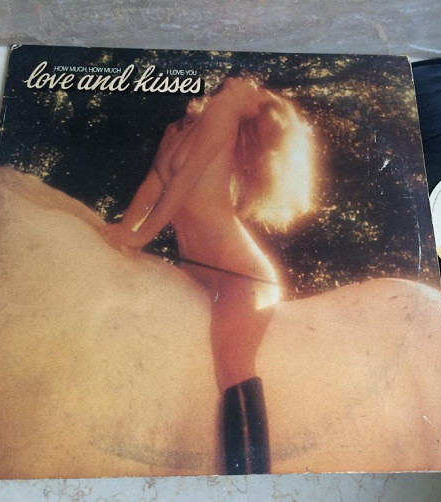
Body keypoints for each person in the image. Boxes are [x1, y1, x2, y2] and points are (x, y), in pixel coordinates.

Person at [98, 77, 314, 475]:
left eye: (258, 91)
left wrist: (141, 236)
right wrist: (124, 230)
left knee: (233, 369)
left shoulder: (224, 112)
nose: (250, 82)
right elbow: (155, 183)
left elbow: (183, 184)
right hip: (198, 273)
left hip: (240, 276)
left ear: (250, 109)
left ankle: (251, 481)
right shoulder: (181, 128)